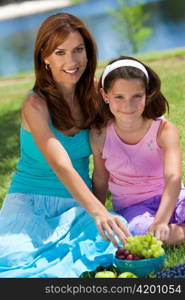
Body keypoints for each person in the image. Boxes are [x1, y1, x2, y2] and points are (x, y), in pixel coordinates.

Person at [0, 13, 130, 278]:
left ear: (88, 51)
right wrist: (99, 212)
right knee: (12, 256)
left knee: (121, 230)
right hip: (29, 203)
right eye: (60, 52)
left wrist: (100, 209)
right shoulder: (34, 104)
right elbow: (61, 166)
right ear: (45, 57)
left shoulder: (97, 94)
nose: (72, 62)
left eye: (78, 50)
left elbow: (131, 127)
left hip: (76, 203)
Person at [90, 55, 185, 245]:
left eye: (137, 96)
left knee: (159, 230)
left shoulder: (163, 130)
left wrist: (161, 220)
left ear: (147, 94)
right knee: (141, 237)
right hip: (132, 207)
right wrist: (96, 214)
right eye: (119, 97)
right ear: (104, 95)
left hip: (173, 197)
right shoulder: (100, 135)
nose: (128, 105)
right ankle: (172, 233)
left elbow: (173, 177)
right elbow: (101, 178)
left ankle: (172, 230)